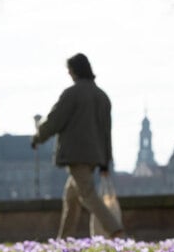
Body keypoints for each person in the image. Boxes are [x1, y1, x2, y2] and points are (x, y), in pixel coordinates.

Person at [31, 53, 125, 239]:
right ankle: (64, 240)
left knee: (88, 195)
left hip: (76, 155)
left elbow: (54, 121)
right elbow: (106, 132)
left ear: (74, 71)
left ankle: (116, 230)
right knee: (71, 198)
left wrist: (37, 137)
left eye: (69, 71)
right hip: (95, 157)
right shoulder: (102, 97)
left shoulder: (72, 94)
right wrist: (105, 162)